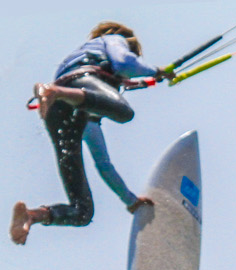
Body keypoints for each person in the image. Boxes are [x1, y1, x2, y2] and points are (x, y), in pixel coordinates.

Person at [11, 22, 161, 246]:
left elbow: (103, 164)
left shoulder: (88, 121)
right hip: (75, 83)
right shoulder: (113, 39)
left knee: (82, 213)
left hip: (56, 110)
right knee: (124, 112)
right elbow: (124, 62)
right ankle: (54, 91)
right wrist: (157, 71)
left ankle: (31, 216)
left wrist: (131, 201)